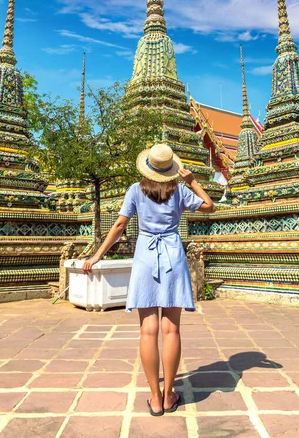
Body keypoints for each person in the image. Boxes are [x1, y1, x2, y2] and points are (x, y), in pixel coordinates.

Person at [81, 143, 216, 416]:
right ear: (171, 170)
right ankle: (169, 396)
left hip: (145, 258)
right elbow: (209, 206)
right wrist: (192, 181)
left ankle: (155, 397)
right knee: (171, 331)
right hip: (173, 256)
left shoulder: (135, 190)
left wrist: (97, 255)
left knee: (148, 331)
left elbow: (119, 225)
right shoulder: (179, 191)